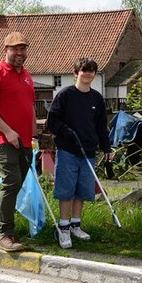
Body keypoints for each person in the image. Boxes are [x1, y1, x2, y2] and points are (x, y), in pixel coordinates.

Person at [47, 57, 112, 249]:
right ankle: (64, 227)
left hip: (88, 152)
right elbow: (53, 122)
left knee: (82, 190)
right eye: (84, 70)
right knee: (66, 189)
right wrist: (66, 132)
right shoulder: (65, 95)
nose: (88, 74)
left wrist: (106, 147)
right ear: (76, 73)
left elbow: (101, 126)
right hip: (68, 150)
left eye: (92, 70)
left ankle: (76, 225)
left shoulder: (97, 98)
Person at [0, 32, 36, 252]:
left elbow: (29, 107)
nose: (19, 53)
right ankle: (4, 234)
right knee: (12, 180)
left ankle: (9, 228)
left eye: (23, 49)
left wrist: (34, 135)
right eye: (15, 49)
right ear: (6, 50)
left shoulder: (27, 76)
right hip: (0, 140)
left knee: (18, 182)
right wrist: (8, 131)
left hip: (23, 142)